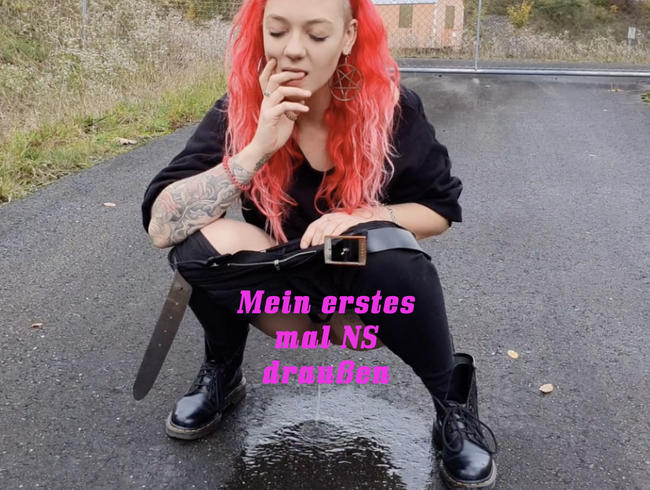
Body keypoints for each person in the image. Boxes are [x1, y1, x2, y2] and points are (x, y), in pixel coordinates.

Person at [141, 0, 497, 487]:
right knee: (196, 249)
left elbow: (439, 209)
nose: (293, 50)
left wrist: (362, 216)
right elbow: (161, 227)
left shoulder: (391, 107)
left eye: (316, 35)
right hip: (283, 289)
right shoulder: (240, 108)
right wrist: (258, 147)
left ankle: (451, 405)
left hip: (360, 295)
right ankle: (223, 370)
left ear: (348, 37)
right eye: (277, 31)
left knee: (381, 249)